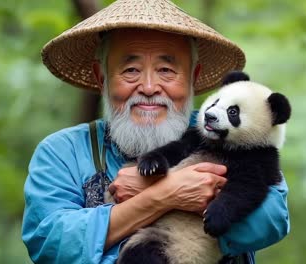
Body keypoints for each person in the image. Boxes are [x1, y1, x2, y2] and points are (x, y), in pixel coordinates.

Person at [21, 0, 290, 263]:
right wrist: (163, 195)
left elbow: (272, 217)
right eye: (131, 70)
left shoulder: (230, 138)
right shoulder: (61, 152)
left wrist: (191, 196)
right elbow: (50, 242)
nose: (149, 87)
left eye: (166, 70)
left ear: (193, 78)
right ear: (101, 78)